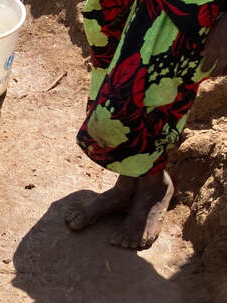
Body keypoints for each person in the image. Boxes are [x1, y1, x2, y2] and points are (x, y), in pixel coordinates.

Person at [66, 0, 227, 249]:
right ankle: (127, 184)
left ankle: (154, 187)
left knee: (148, 96)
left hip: (190, 9)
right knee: (108, 47)